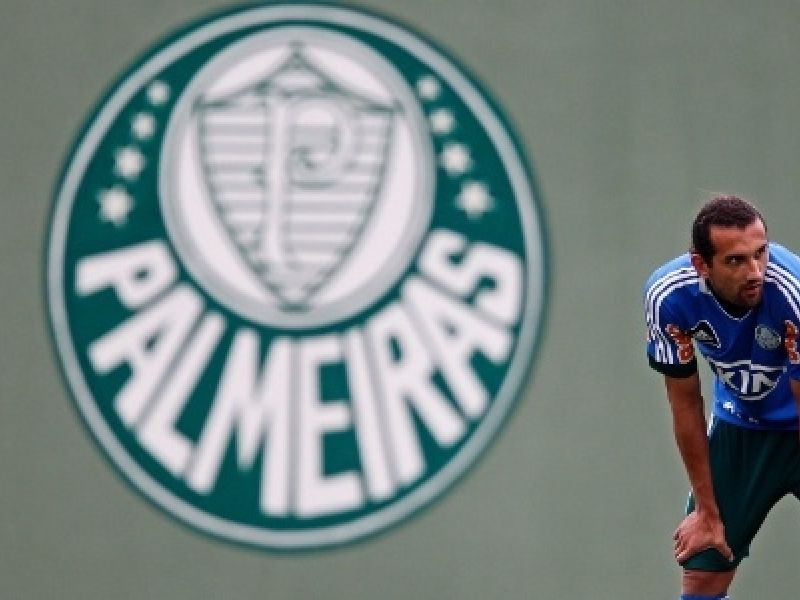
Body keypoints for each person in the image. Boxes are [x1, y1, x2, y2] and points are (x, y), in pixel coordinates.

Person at [643, 194, 800, 600]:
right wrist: (707, 512)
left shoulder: (791, 291)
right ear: (702, 265)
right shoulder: (670, 297)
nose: (755, 272)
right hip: (741, 426)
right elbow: (685, 402)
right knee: (703, 571)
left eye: (761, 253)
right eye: (736, 261)